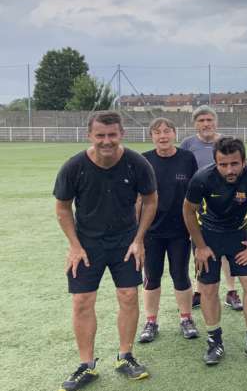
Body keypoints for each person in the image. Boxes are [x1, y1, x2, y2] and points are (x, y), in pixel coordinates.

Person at [54, 111, 158, 390]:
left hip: (125, 241)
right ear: (90, 135)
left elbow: (150, 201)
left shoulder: (137, 163)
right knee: (82, 301)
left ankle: (125, 356)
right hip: (87, 244)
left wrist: (139, 239)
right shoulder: (74, 166)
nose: (106, 141)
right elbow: (63, 208)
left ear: (121, 134)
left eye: (112, 135)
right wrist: (74, 245)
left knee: (128, 295)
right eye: (100, 135)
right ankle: (86, 365)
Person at [182, 137, 247, 365]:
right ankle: (214, 342)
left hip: (238, 236)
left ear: (244, 161)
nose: (229, 170)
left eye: (234, 164)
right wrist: (200, 246)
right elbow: (188, 212)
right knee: (209, 289)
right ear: (215, 163)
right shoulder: (202, 178)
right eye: (223, 164)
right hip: (208, 237)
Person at [137, 118, 200, 344]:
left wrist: (196, 228)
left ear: (175, 133)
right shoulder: (144, 160)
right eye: (157, 132)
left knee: (180, 275)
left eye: (166, 131)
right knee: (151, 277)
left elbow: (194, 194)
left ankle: (186, 319)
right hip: (151, 232)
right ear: (151, 136)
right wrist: (137, 235)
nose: (162, 136)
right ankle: (151, 322)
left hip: (180, 231)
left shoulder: (187, 158)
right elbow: (138, 199)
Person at [180, 105, 242, 311]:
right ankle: (200, 289)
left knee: (226, 249)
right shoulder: (187, 144)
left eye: (209, 120)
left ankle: (231, 291)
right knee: (199, 245)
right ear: (195, 124)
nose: (206, 124)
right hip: (197, 203)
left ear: (216, 122)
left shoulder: (226, 143)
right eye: (201, 120)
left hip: (225, 204)